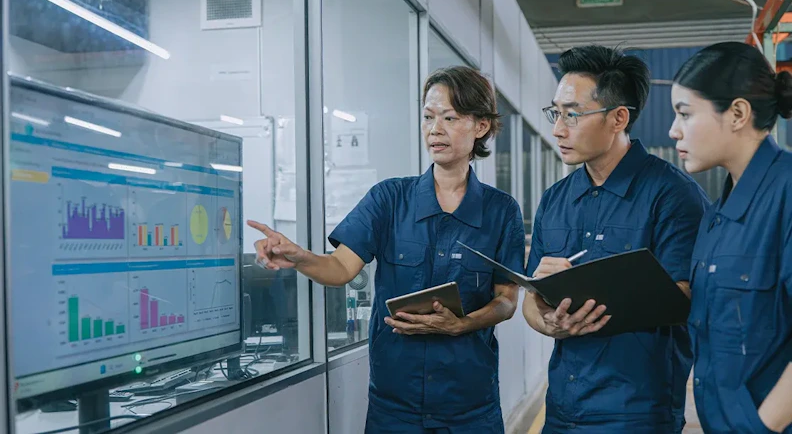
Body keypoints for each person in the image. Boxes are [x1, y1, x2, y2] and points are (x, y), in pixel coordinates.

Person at [248, 66, 525, 433]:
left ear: (481, 126)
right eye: (428, 117)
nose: (434, 129)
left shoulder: (501, 210)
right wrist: (299, 256)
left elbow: (506, 300)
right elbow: (340, 269)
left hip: (470, 406)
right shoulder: (389, 199)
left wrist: (464, 324)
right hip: (395, 407)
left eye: (450, 117)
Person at [522, 45, 709, 433]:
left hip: (636, 411)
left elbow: (685, 297)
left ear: (618, 118)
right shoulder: (555, 200)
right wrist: (549, 322)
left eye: (572, 114)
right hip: (562, 408)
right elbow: (530, 303)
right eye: (555, 112)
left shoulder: (673, 195)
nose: (558, 128)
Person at [669, 41, 792, 434]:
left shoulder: (787, 192)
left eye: (685, 114)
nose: (673, 130)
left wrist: (758, 427)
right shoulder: (717, 214)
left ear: (738, 113)